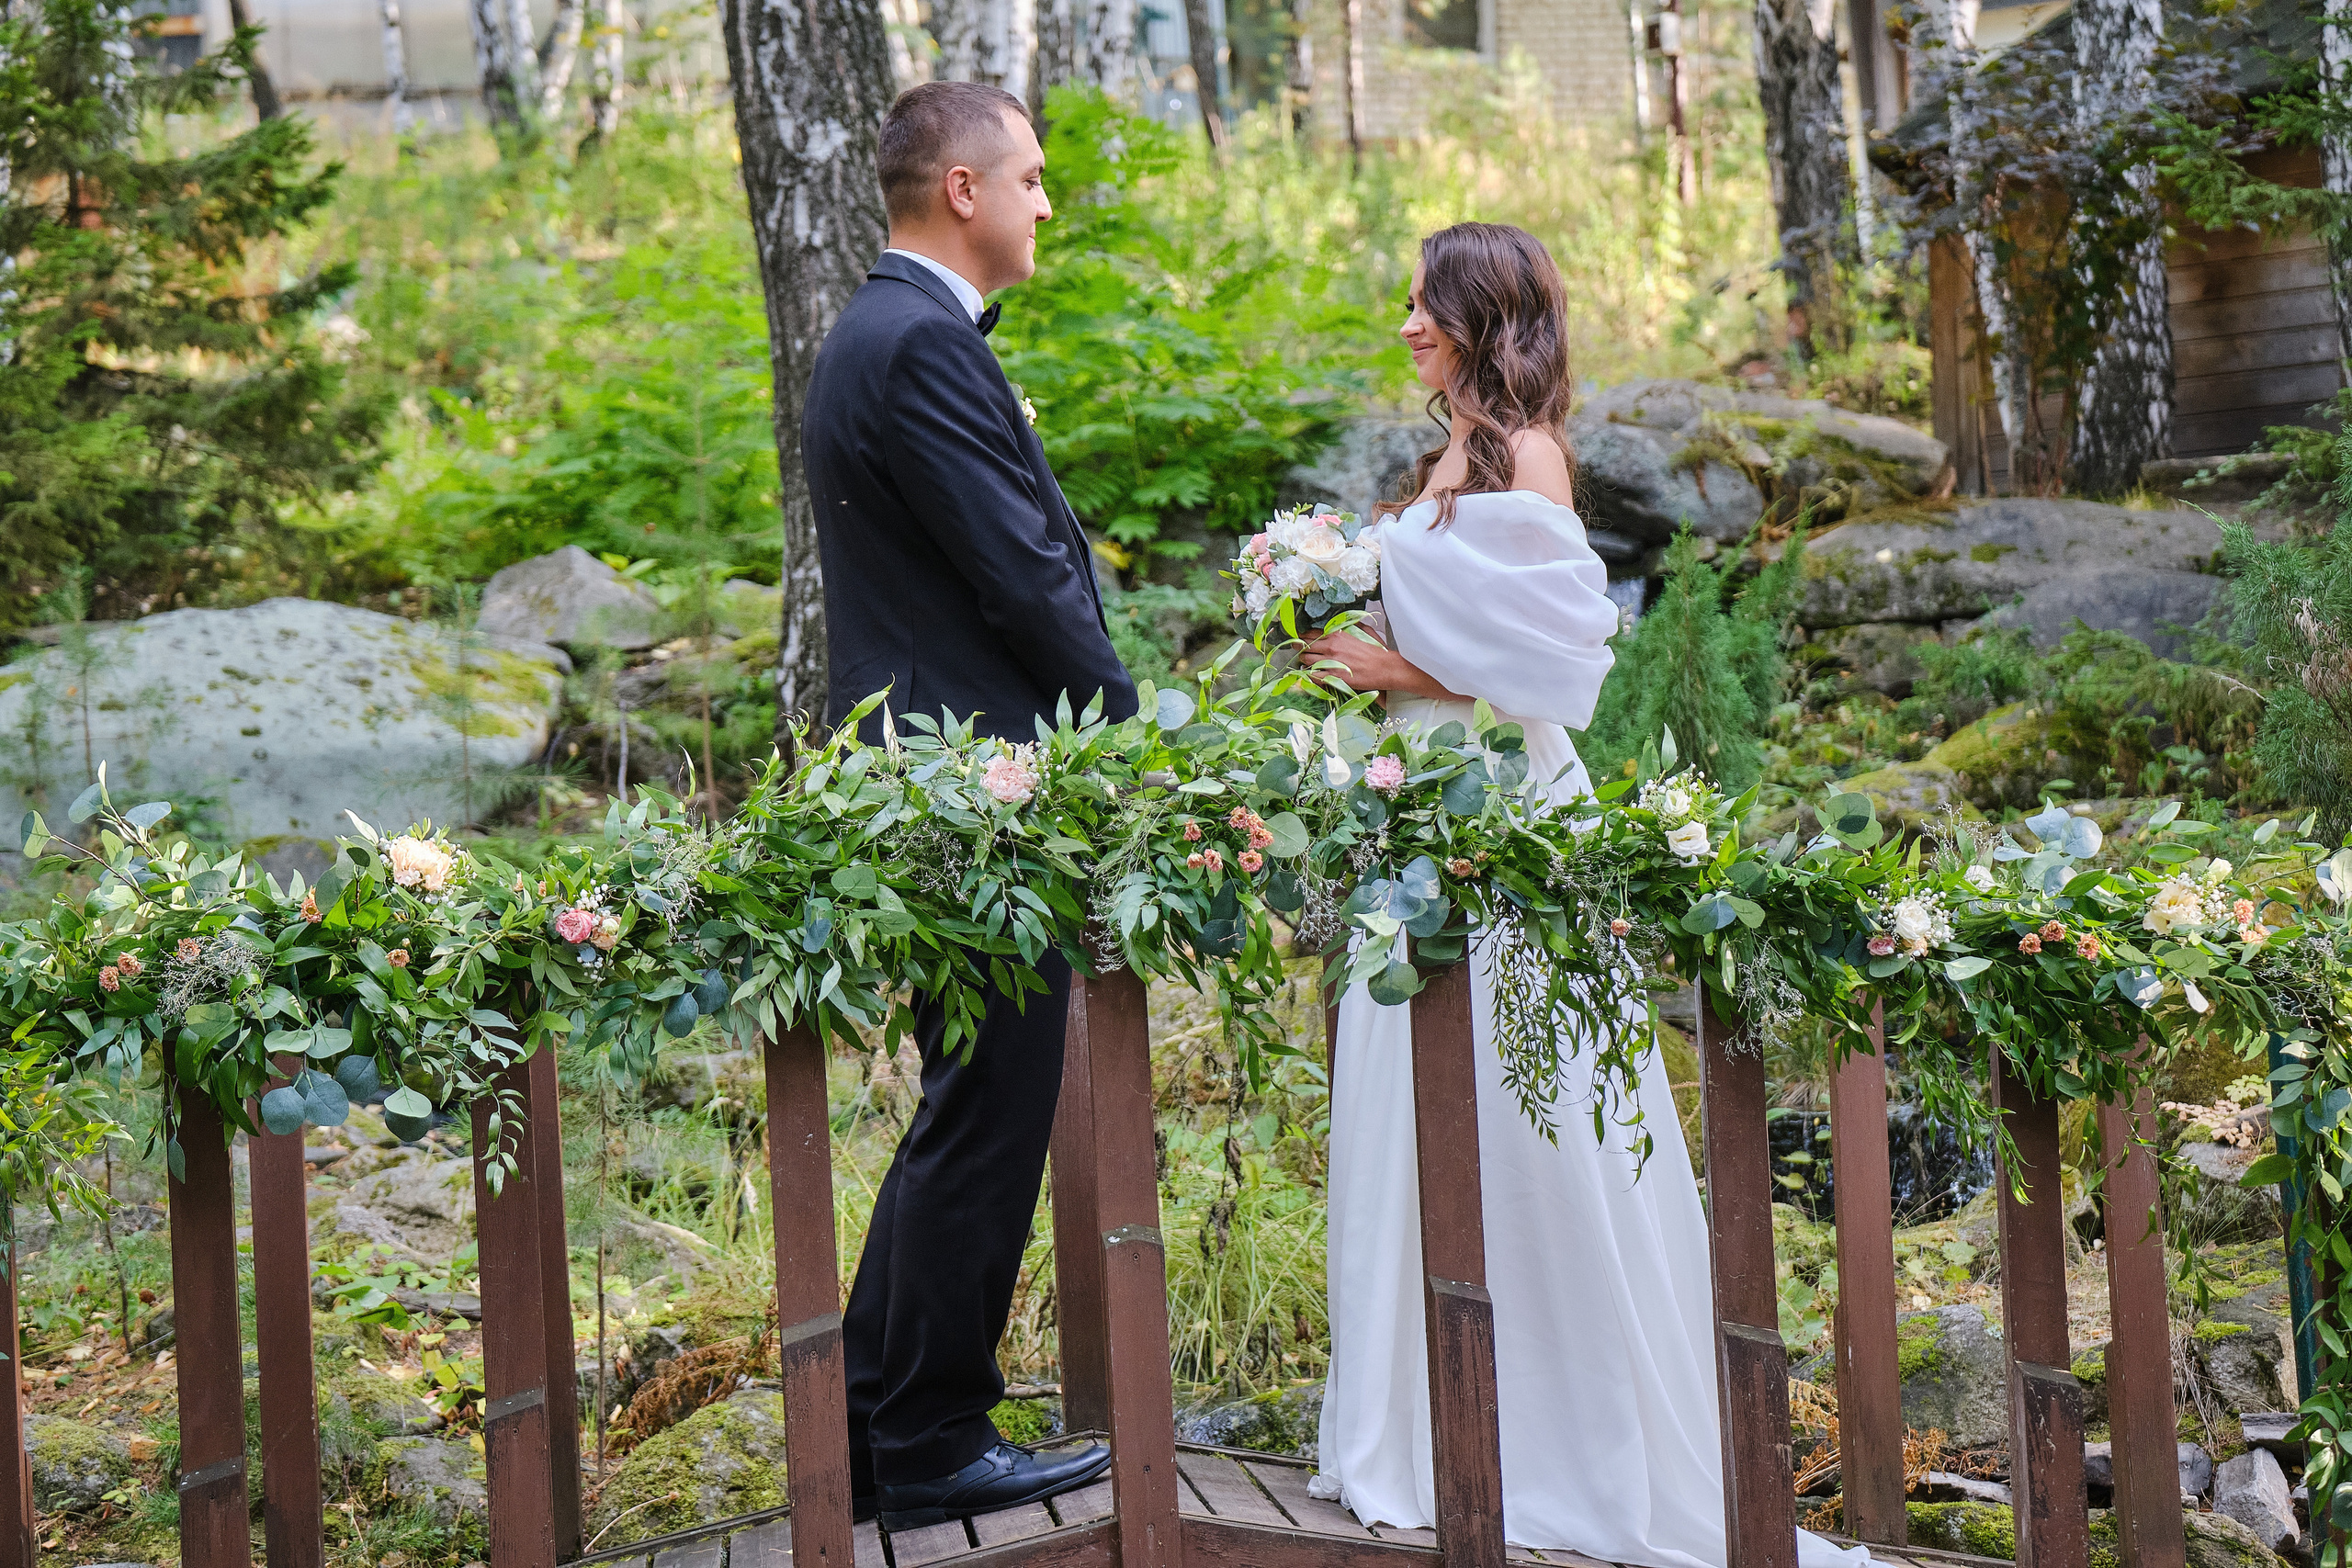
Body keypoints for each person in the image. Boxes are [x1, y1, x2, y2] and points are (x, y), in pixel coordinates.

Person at [1298, 222, 1873, 1568]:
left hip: (1503, 815)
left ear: (1482, 315)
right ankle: (1432, 1423)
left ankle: (1566, 1443)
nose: (1405, 324)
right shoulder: (1444, 456)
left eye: (1425, 304)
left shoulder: (1529, 455)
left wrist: (1401, 674)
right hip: (1419, 816)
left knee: (1533, 1117)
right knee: (1419, 1103)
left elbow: (1561, 664)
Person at [798, 80, 1134, 1531]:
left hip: (940, 770)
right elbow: (1020, 572)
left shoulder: (893, 333)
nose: (1048, 202)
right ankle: (929, 1441)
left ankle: (883, 1429)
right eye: (1035, 178)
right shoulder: (918, 343)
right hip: (970, 781)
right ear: (964, 193)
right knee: (989, 1108)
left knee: (971, 1101)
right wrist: (1121, 732)